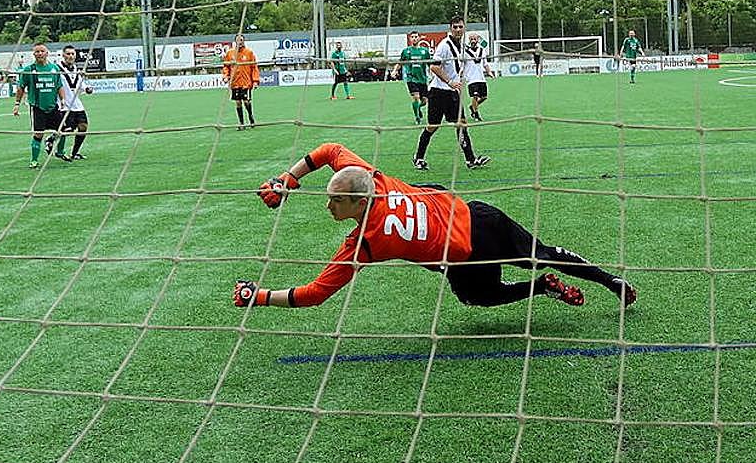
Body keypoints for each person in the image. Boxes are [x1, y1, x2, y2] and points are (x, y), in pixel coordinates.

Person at [237, 142, 636, 310]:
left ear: (360, 202)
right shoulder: (374, 179)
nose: (327, 205)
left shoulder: (368, 243)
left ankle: (608, 281)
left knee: (535, 258)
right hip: (478, 219)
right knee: (489, 290)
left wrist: (259, 296)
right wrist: (287, 180)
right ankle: (544, 285)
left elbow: (313, 295)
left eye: (335, 200)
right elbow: (330, 151)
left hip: (469, 245)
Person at [413, 15, 488, 171]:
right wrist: (450, 81)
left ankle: (470, 160)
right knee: (432, 126)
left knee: (461, 124)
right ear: (450, 28)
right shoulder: (444, 45)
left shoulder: (461, 45)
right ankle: (418, 157)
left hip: (453, 93)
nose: (458, 29)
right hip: (438, 92)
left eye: (461, 27)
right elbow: (434, 67)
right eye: (455, 27)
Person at [12, 42, 66, 169]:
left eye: (42, 51)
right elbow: (20, 87)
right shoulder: (29, 70)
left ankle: (60, 152)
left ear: (47, 53)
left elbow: (59, 85)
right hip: (37, 107)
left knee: (63, 131)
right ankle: (34, 160)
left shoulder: (54, 68)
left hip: (53, 106)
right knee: (38, 135)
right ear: (33, 54)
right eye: (37, 51)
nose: (39, 53)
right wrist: (17, 104)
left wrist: (63, 100)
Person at [50, 44, 93, 161]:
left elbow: (79, 84)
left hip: (77, 105)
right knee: (67, 130)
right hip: (64, 105)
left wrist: (87, 88)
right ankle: (51, 139)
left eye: (72, 54)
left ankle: (74, 153)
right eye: (68, 54)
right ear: (63, 55)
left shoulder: (76, 69)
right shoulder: (56, 69)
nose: (70, 56)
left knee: (83, 127)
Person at [222, 33, 260, 130]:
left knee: (246, 101)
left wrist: (255, 81)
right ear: (235, 41)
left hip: (246, 82)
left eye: (242, 40)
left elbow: (254, 67)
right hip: (235, 82)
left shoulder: (249, 53)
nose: (240, 41)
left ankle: (251, 118)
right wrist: (226, 76)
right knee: (238, 102)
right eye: (238, 40)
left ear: (244, 41)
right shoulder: (230, 53)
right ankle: (241, 123)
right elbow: (226, 66)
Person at [397, 31, 431, 125]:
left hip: (422, 79)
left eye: (416, 36)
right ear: (409, 39)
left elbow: (430, 64)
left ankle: (418, 108)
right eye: (412, 37)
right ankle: (417, 117)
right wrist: (395, 70)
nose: (414, 38)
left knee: (424, 101)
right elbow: (401, 62)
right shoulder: (406, 51)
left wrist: (433, 74)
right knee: (416, 97)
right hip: (411, 78)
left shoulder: (425, 51)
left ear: (420, 38)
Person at [464, 32, 494, 122]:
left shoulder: (482, 50)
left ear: (477, 40)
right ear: (469, 40)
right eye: (471, 38)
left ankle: (472, 107)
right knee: (475, 96)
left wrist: (489, 72)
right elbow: (461, 64)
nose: (473, 40)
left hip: (481, 78)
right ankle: (476, 114)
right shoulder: (465, 52)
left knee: (484, 97)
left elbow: (485, 64)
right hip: (471, 79)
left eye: (475, 38)